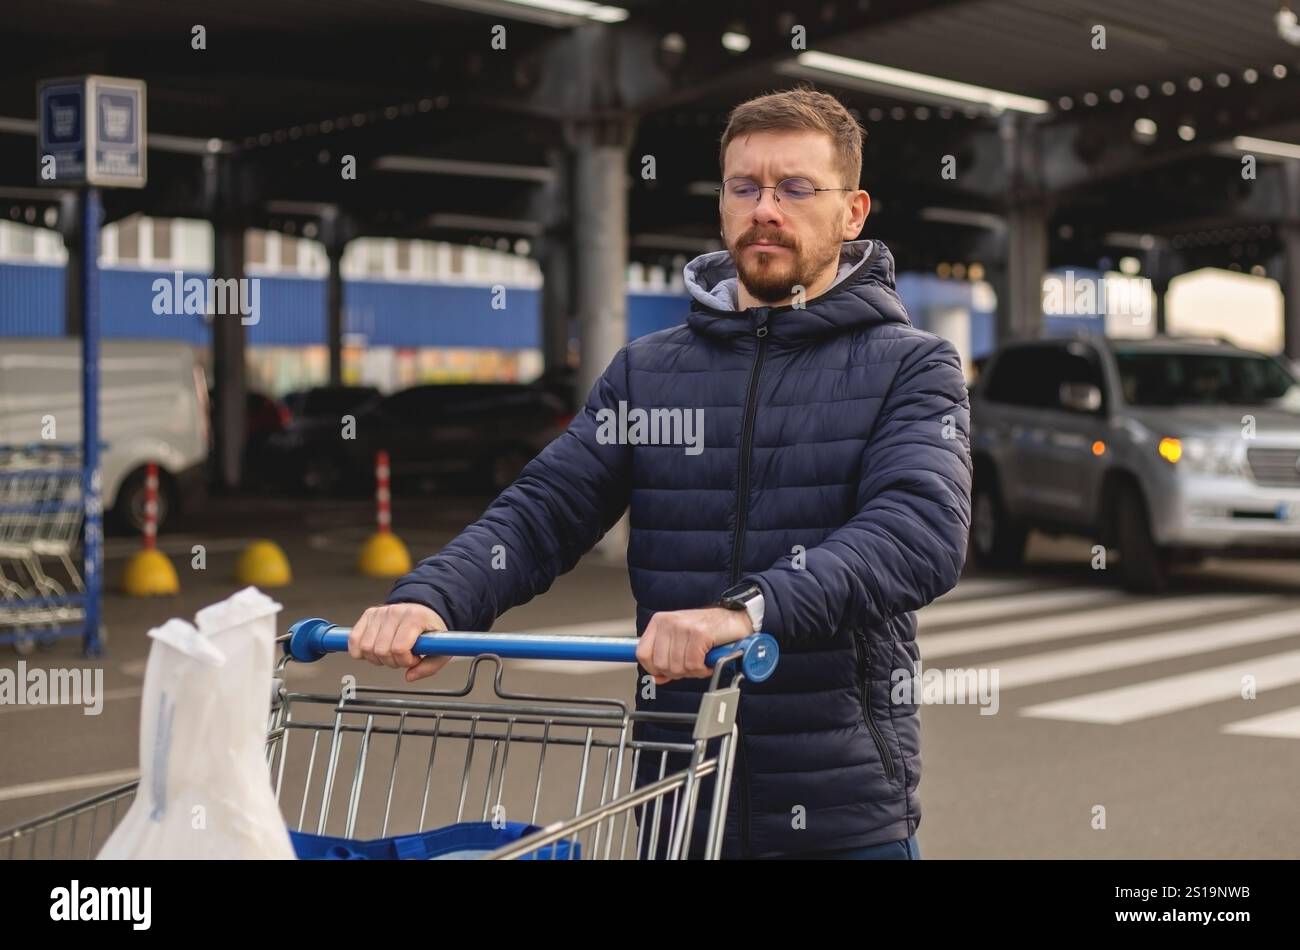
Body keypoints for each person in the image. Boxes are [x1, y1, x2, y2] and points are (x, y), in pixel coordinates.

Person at [348, 86, 971, 859]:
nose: (765, 209)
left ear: (853, 213)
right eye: (745, 188)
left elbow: (920, 530)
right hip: (680, 803)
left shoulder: (911, 367)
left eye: (796, 188)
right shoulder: (651, 372)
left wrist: (749, 611)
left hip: (842, 814)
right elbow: (547, 508)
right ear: (722, 206)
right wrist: (433, 596)